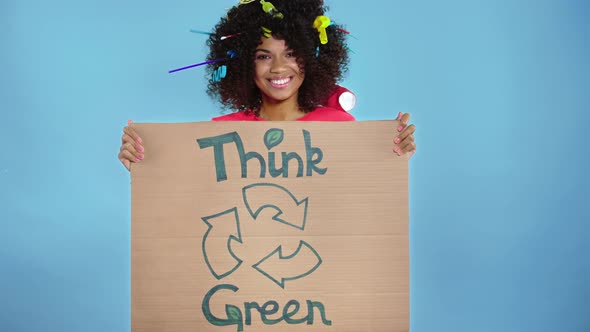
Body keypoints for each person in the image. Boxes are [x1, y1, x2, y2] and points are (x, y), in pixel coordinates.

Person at [118, 0, 416, 170]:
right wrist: (144, 168)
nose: (277, 68)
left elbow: (362, 198)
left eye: (291, 53)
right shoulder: (219, 133)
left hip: (324, 276)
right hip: (245, 278)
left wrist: (391, 158)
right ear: (244, 62)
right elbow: (191, 204)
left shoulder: (340, 124)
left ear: (311, 59)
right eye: (263, 56)